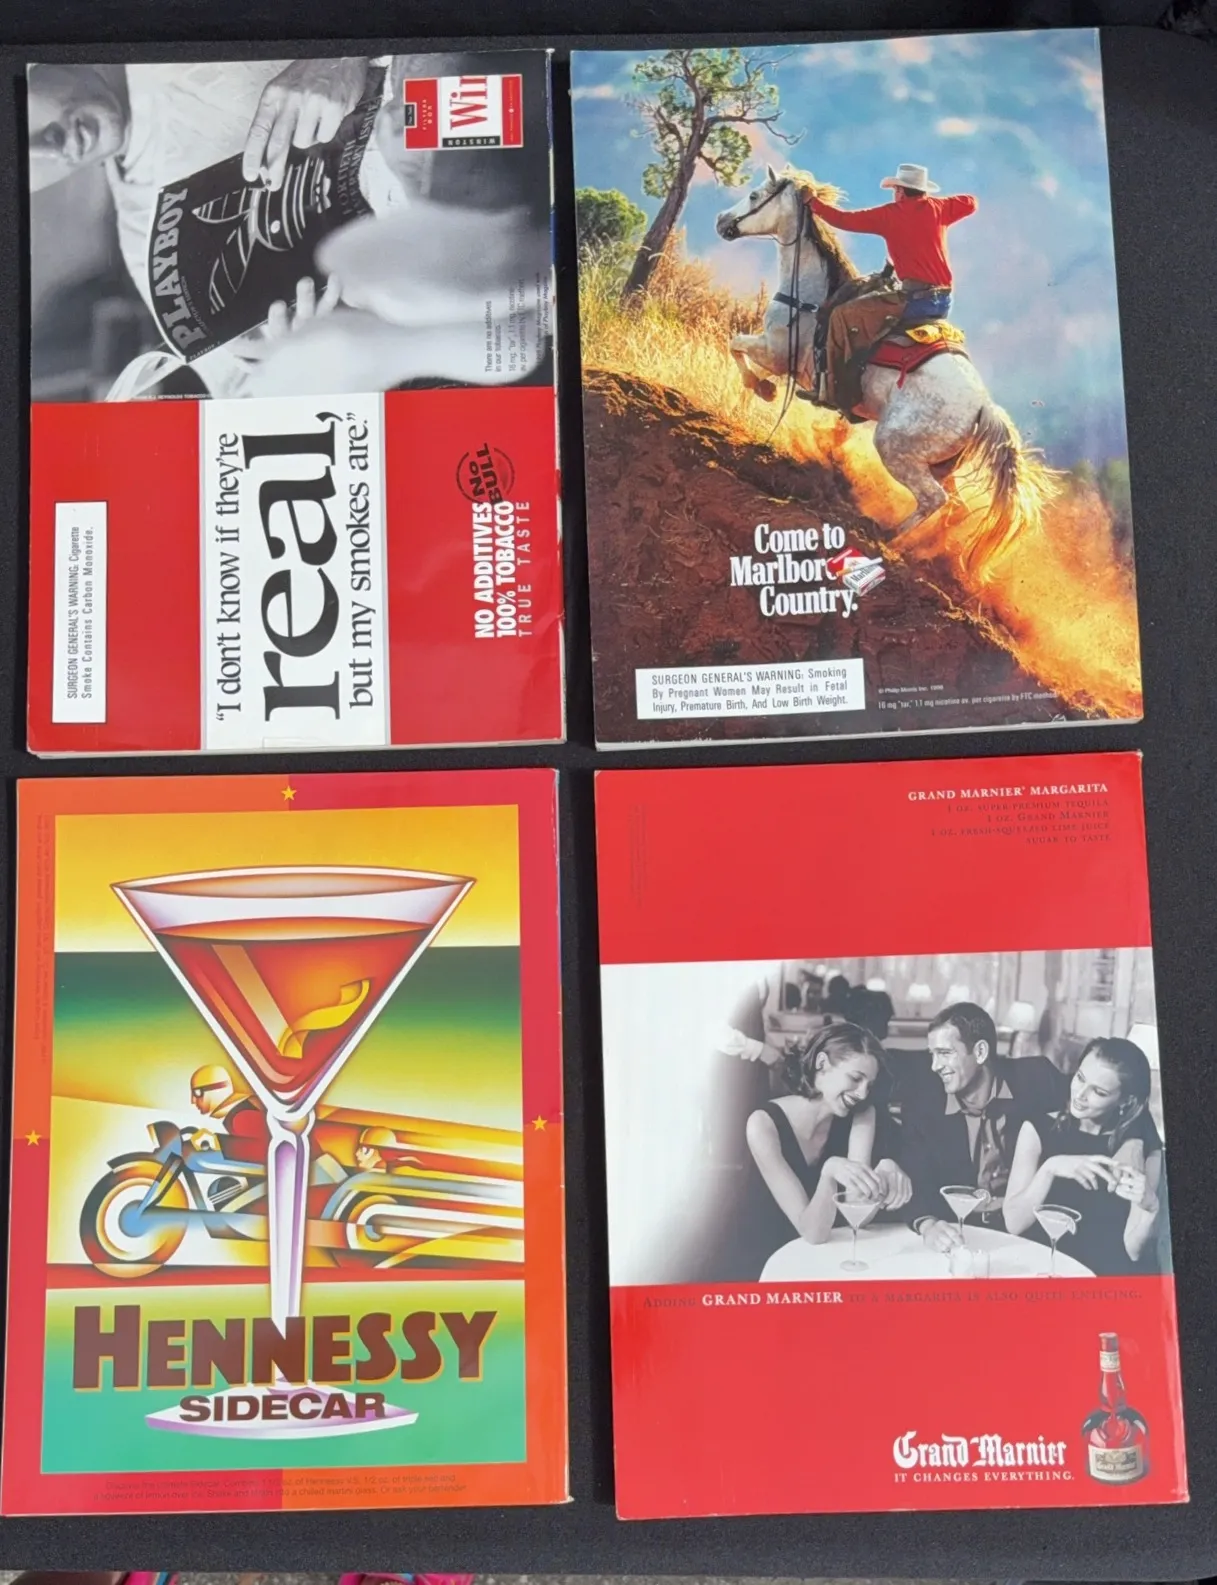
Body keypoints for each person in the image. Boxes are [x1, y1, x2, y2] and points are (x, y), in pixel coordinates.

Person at [803, 162, 977, 408]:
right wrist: (936, 205)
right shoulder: (940, 208)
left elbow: (842, 220)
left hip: (914, 301)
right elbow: (970, 202)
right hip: (944, 300)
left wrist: (813, 202)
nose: (894, 194)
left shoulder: (889, 214)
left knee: (841, 315)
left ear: (902, 192)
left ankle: (831, 391)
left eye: (896, 189)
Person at [900, 1002, 1066, 1254]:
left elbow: (1093, 1103)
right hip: (960, 1232)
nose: (935, 1065)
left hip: (1029, 1232)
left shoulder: (1038, 1078)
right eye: (932, 1054)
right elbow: (914, 1174)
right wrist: (927, 1225)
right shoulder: (923, 1103)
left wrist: (1132, 1144)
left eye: (944, 1053)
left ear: (980, 1052)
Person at [744, 1023, 912, 1259]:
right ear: (821, 1064)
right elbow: (812, 1233)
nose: (862, 1093)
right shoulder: (763, 1125)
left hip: (832, 1250)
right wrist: (829, 1172)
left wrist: (883, 1172)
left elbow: (858, 1216)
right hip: (771, 1251)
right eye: (855, 1078)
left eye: (869, 1084)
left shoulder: (862, 1114)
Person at [1003, 1037, 1163, 1275]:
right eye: (1079, 1078)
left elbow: (1133, 1251)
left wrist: (1150, 1209)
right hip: (1044, 1271)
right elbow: (1014, 1223)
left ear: (1125, 1101)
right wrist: (1050, 1168)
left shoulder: (1143, 1149)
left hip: (1104, 1278)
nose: (1080, 1094)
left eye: (1099, 1092)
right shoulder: (1037, 1129)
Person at [188, 1063, 268, 1162]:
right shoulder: (238, 1112)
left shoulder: (240, 1116)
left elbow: (264, 1151)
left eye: (197, 1092)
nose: (193, 1101)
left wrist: (216, 1142)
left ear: (217, 1089)